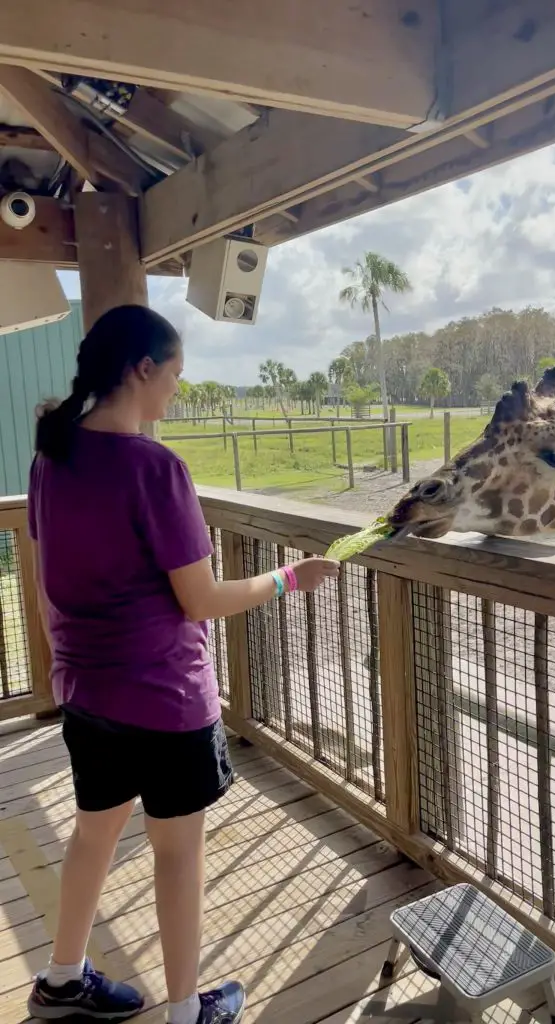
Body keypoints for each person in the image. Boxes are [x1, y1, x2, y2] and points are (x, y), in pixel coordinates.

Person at [25, 304, 339, 1024]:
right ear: (142, 369)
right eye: (173, 377)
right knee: (176, 854)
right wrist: (292, 579)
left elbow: (45, 582)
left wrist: (63, 670)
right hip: (163, 699)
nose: (175, 393)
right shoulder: (155, 467)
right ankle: (184, 1012)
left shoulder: (52, 458)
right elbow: (199, 599)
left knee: (93, 830)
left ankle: (63, 980)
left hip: (85, 690)